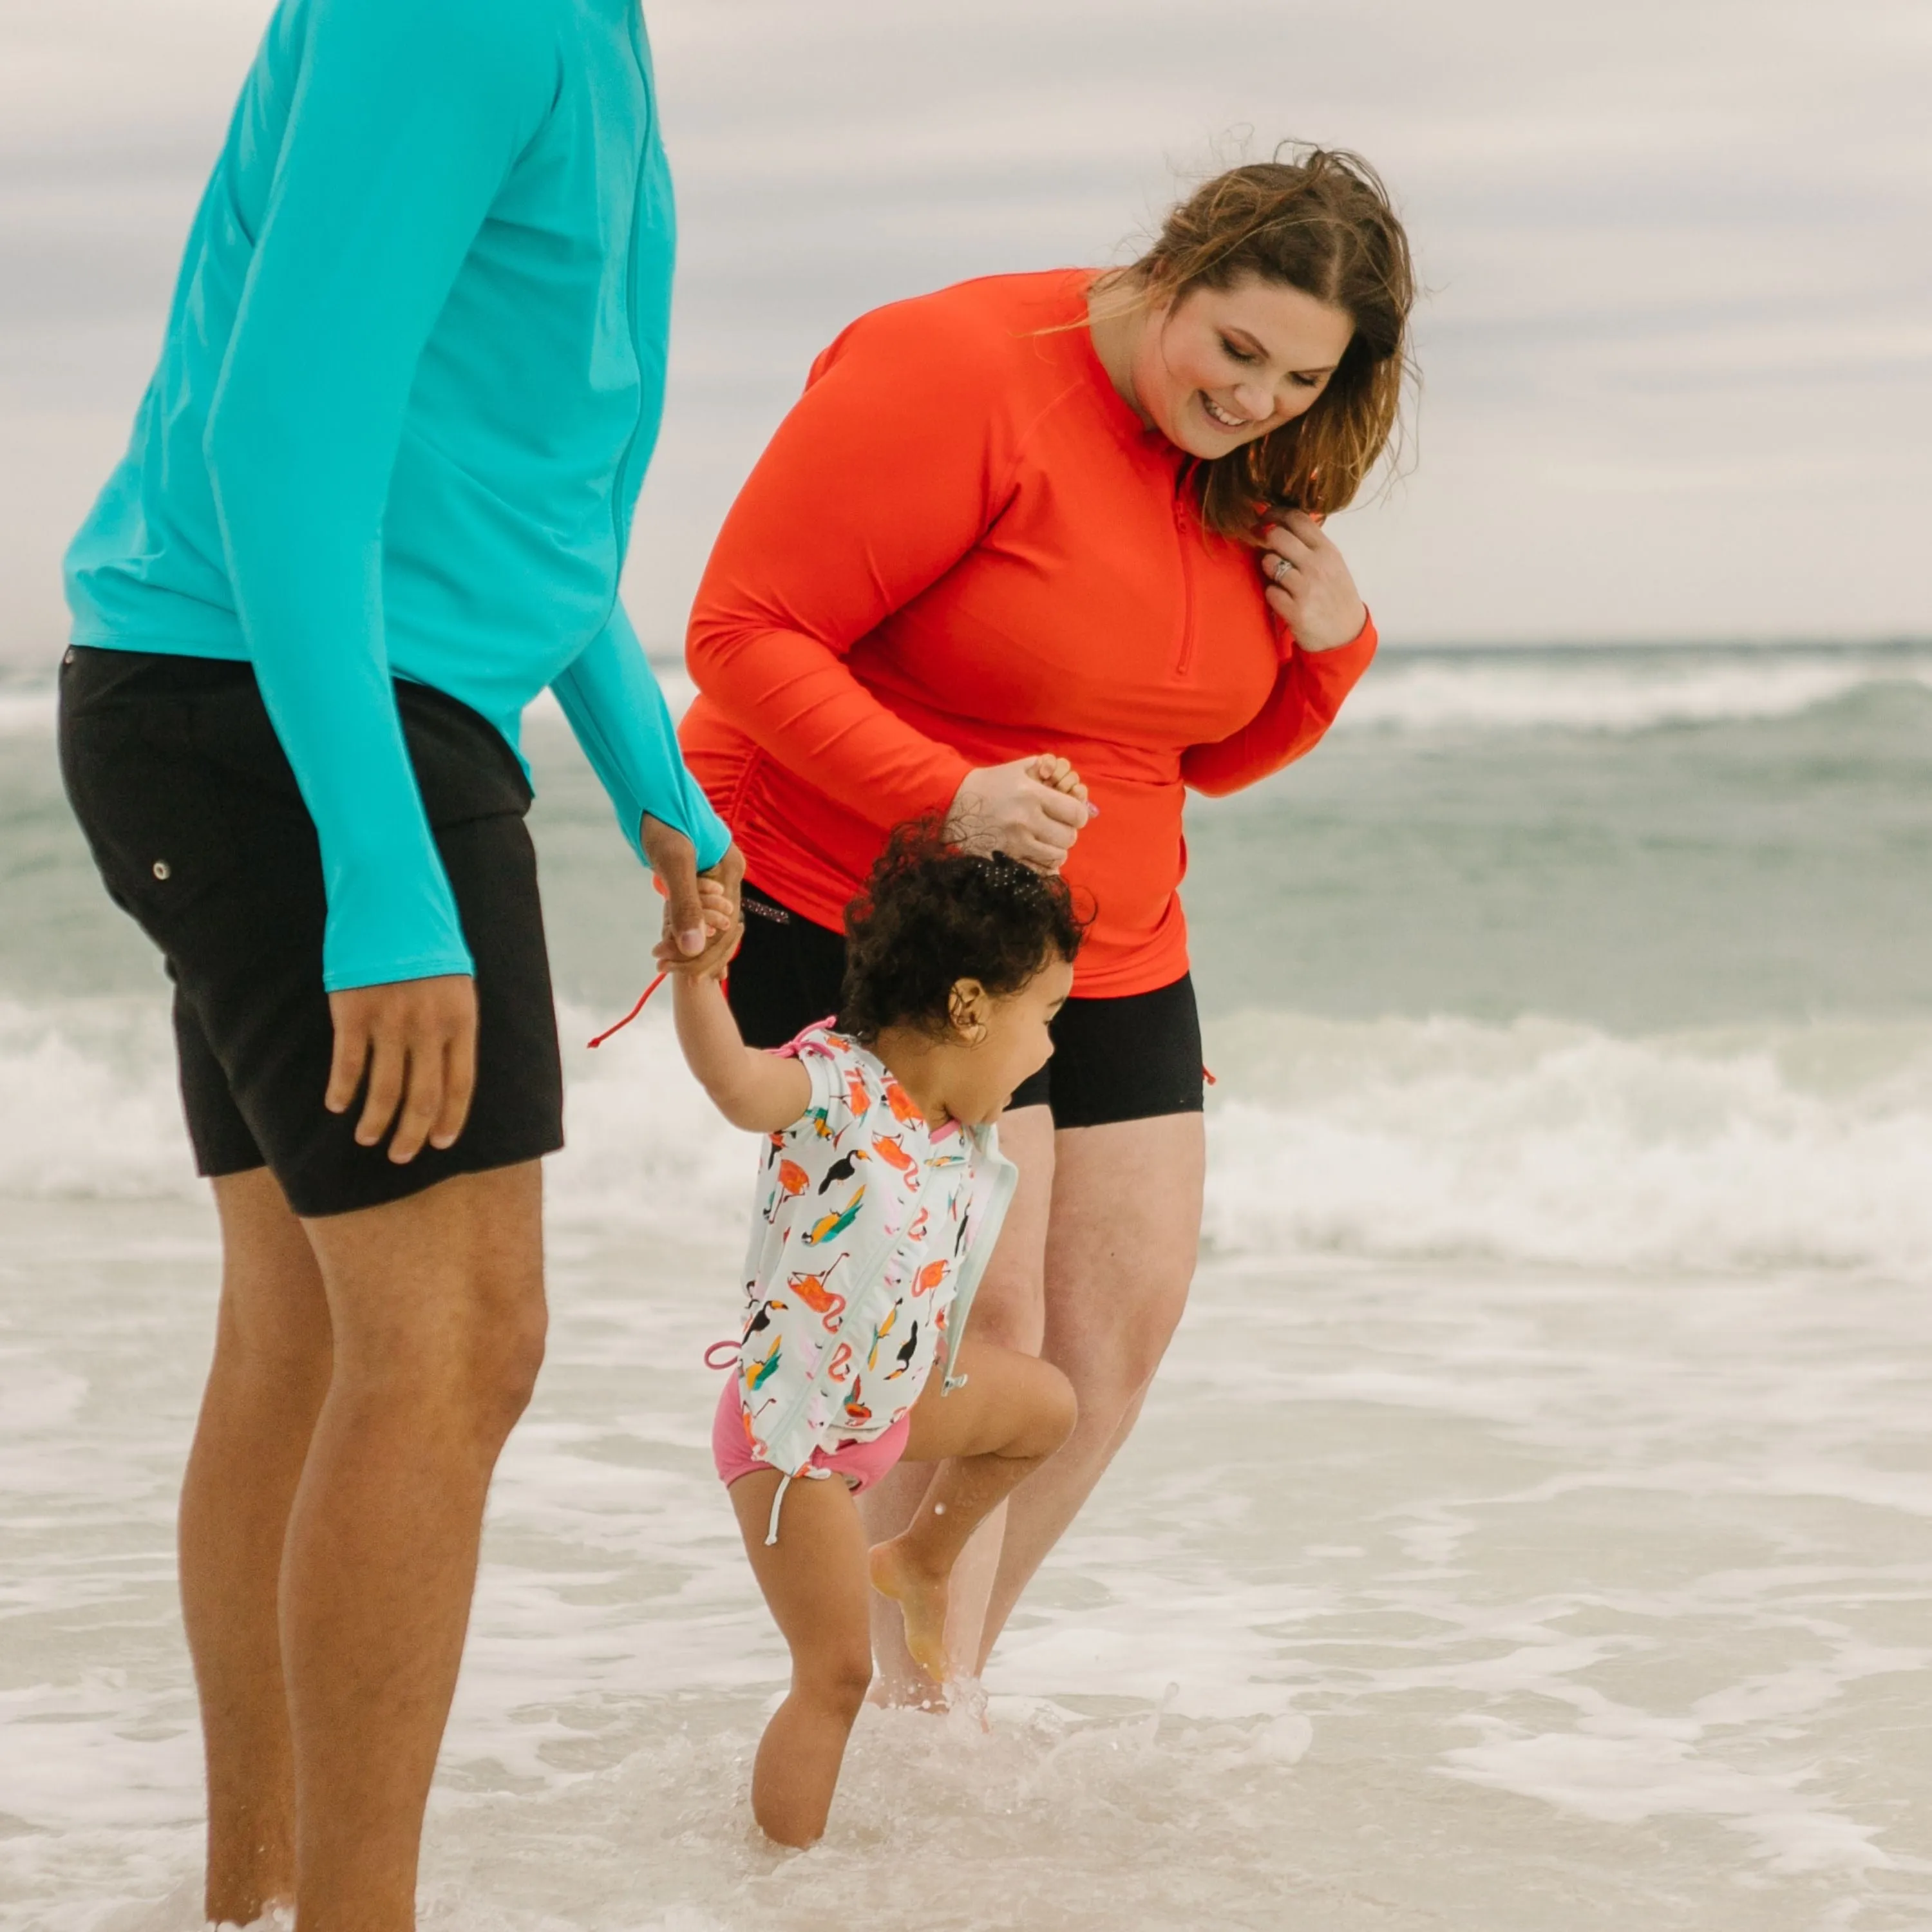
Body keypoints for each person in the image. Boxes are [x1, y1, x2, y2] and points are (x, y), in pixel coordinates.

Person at [55, 1, 739, 1924]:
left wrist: (654, 780)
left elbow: (509, 475)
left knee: (314, 1342)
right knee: (453, 1350)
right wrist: (382, 872)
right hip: (299, 714)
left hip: (266, 697)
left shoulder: (579, 33)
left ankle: (254, 1902)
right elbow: (283, 441)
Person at [680, 149, 1414, 1696]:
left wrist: (1332, 649)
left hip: (1110, 930)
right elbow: (739, 634)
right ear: (1177, 265)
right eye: (1236, 349)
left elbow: (1194, 751)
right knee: (977, 1320)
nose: (1260, 399)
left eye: (1303, 375)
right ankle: (858, 1726)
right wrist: (945, 791)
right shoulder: (957, 371)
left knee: (1108, 1349)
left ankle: (928, 1693)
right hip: (864, 882)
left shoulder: (1248, 458)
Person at [671, 822, 1081, 1844]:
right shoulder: (833, 1086)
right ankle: (782, 1882)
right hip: (795, 1439)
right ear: (970, 1008)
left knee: (1043, 1407)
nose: (1054, 1047)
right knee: (838, 1675)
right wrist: (696, 981)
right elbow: (735, 1085)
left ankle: (922, 1559)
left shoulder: (953, 1126)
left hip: (891, 1401)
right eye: (1048, 1017)